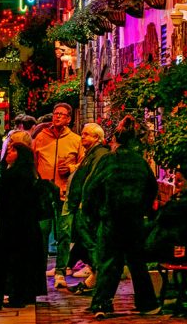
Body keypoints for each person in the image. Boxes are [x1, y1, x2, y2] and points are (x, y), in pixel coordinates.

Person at [82, 115, 160, 319]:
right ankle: (147, 303)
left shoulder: (108, 160)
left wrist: (92, 214)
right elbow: (152, 189)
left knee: (109, 262)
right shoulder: (140, 163)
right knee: (137, 263)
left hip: (111, 219)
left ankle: (102, 303)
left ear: (116, 139)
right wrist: (143, 209)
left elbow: (91, 189)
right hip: (134, 220)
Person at [0, 142, 52, 311]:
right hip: (27, 227)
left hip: (11, 227)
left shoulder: (14, 174)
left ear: (20, 155)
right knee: (20, 262)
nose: (8, 152)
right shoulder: (30, 173)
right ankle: (18, 297)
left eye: (13, 150)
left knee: (1, 262)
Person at [32, 102, 83, 289]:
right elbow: (33, 162)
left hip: (64, 193)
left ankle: (61, 271)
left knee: (64, 233)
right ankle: (38, 271)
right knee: (42, 232)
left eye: (62, 114)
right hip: (44, 193)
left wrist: (70, 168)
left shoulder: (76, 140)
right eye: (55, 113)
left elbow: (82, 164)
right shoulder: (41, 137)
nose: (58, 116)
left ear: (69, 119)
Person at [64, 123, 110, 294]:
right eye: (82, 134)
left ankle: (97, 277)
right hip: (82, 204)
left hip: (88, 206)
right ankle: (94, 275)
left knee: (89, 242)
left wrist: (85, 202)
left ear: (96, 138)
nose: (82, 137)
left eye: (87, 134)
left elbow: (93, 179)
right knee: (84, 241)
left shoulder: (99, 154)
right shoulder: (90, 153)